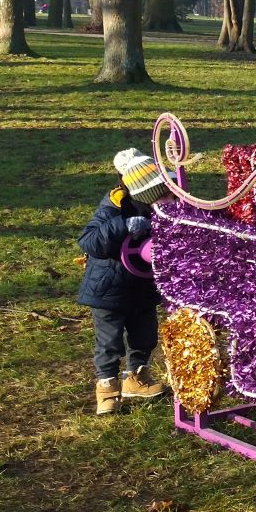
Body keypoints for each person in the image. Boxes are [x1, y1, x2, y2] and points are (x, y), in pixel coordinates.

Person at [79, 148, 170, 415]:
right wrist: (124, 225)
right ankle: (107, 390)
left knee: (145, 336)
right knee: (109, 343)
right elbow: (89, 241)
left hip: (142, 287)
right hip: (109, 290)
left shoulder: (162, 211)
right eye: (163, 194)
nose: (169, 199)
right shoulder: (114, 206)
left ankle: (136, 379)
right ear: (145, 193)